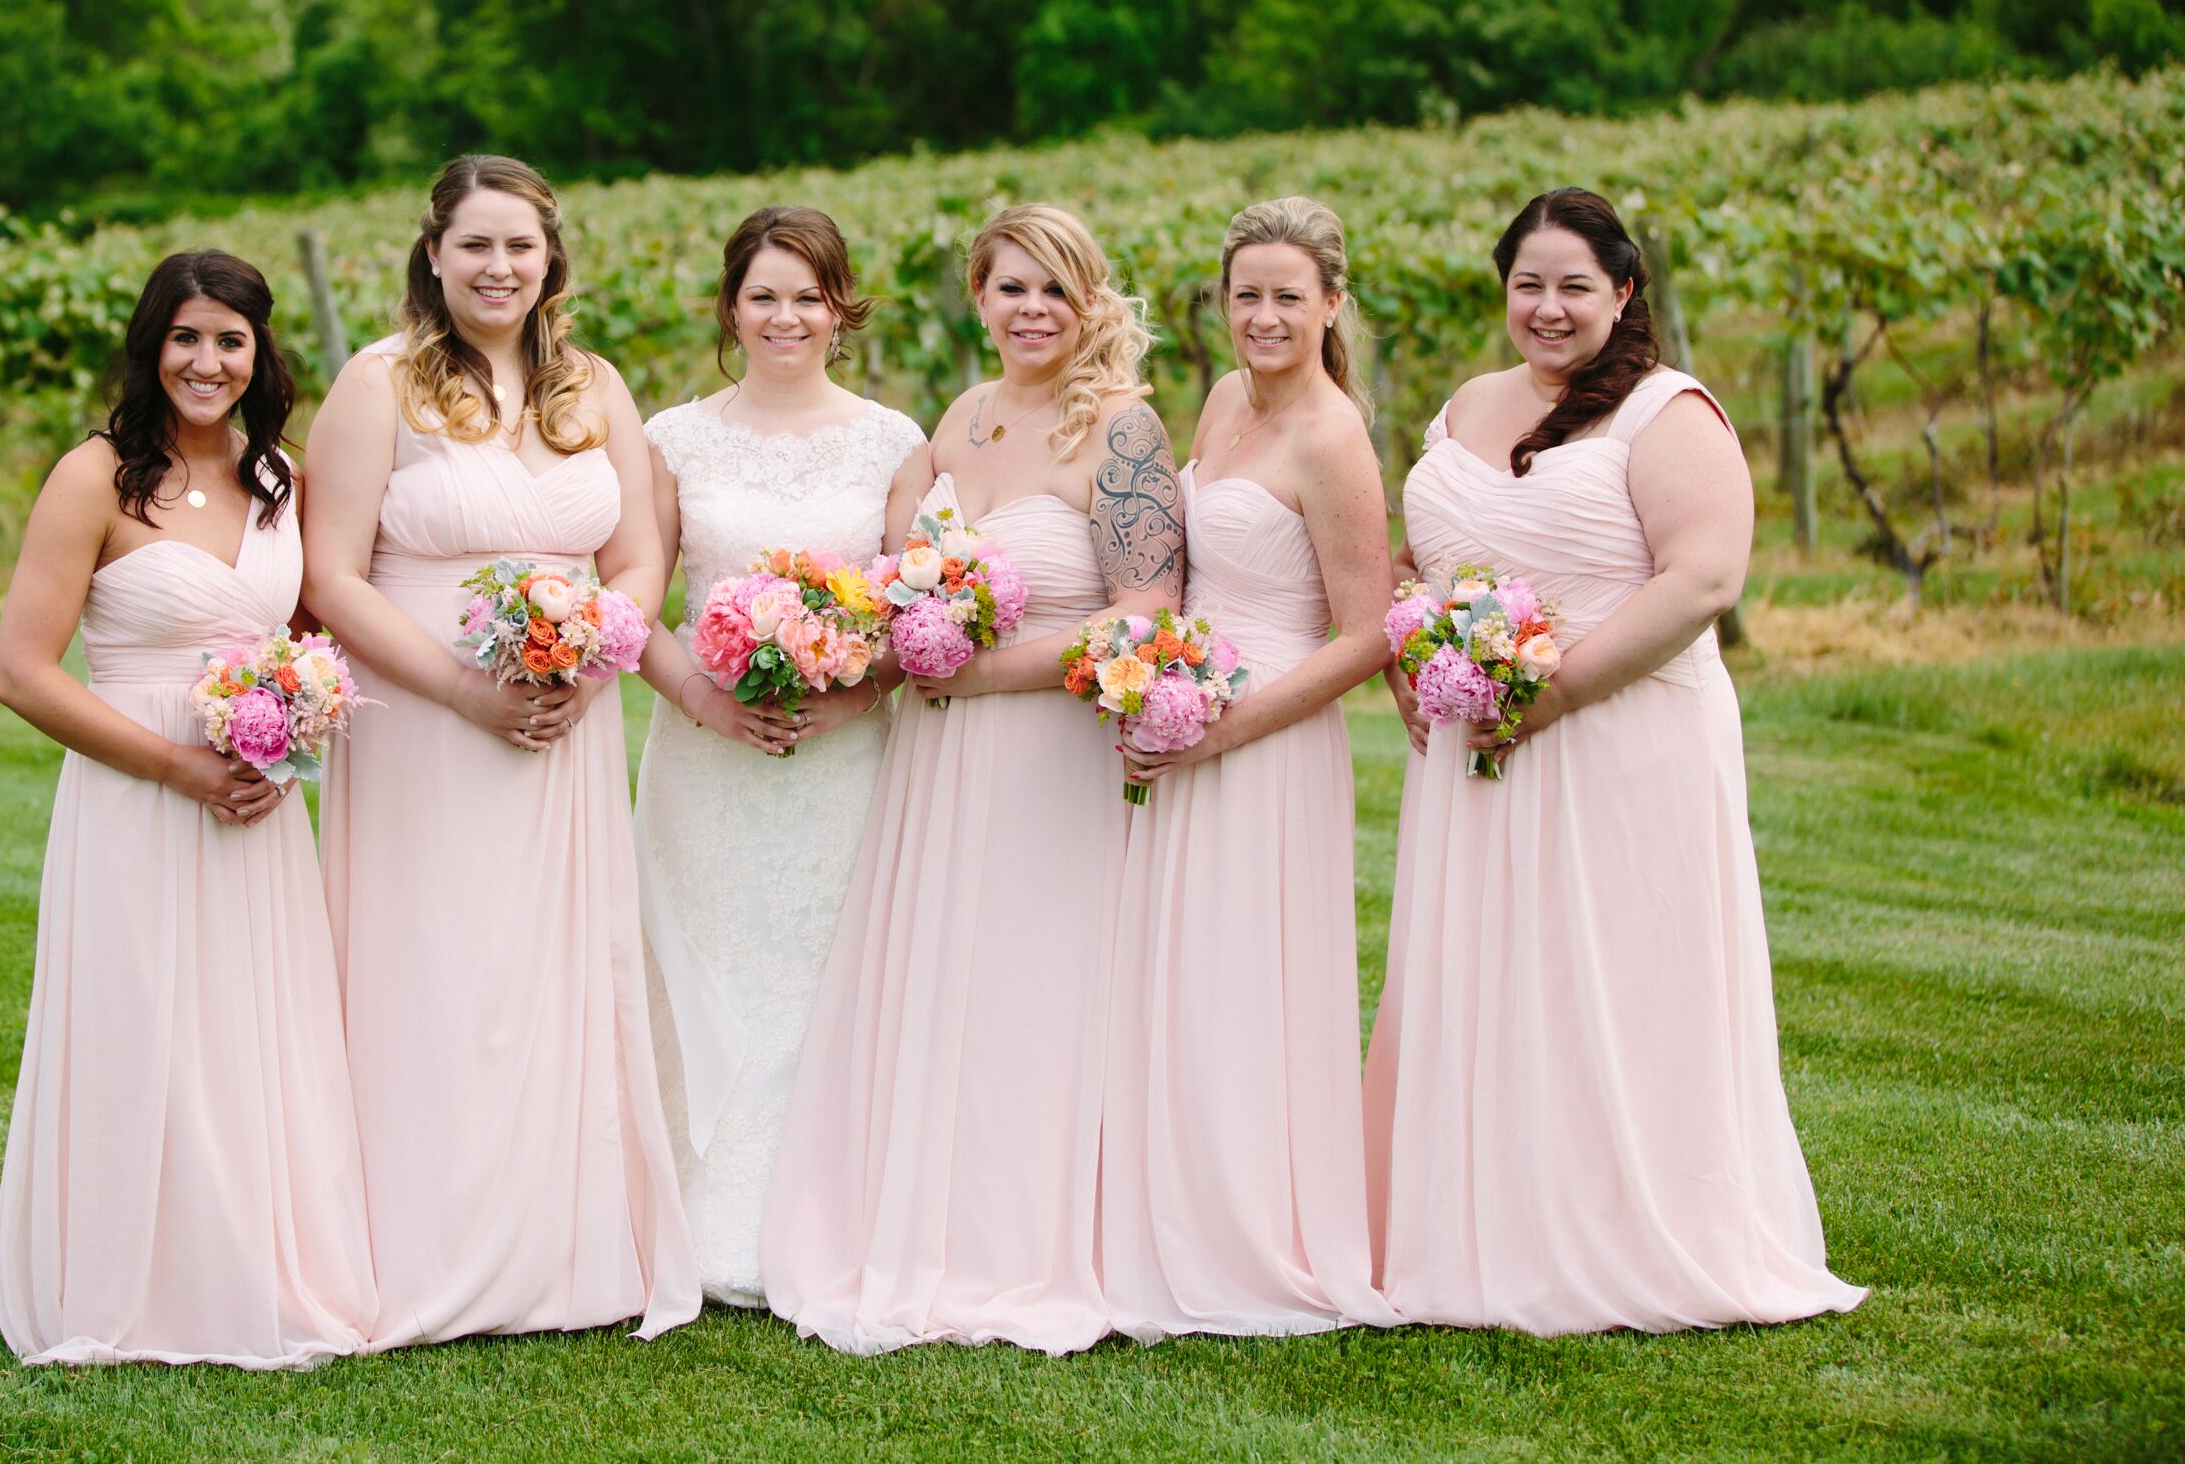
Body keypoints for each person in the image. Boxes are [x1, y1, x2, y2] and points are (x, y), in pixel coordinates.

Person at [1363, 187, 1866, 1333]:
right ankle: (1473, 1222)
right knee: (1488, 971)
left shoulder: (1664, 411)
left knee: (1619, 972)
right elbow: (1423, 554)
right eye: (1526, 284)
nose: (1546, 308)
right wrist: (1410, 644)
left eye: (1573, 286)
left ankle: (1629, 1230)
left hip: (1621, 738)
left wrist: (1548, 694)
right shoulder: (1464, 405)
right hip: (1474, 741)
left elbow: (1700, 582)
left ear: (1623, 291)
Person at [761, 203, 1180, 1356]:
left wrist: (979, 673)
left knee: (1034, 982)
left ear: (1091, 299)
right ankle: (928, 1219)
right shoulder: (964, 415)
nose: (1031, 309)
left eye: (1055, 288)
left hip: (1045, 749)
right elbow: (906, 577)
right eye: (1009, 288)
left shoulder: (1124, 431)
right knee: (946, 971)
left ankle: (1023, 1238)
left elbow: (1146, 612)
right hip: (937, 760)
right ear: (978, 299)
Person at [302, 154, 699, 1345]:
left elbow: (636, 555)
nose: (497, 267)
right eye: (474, 244)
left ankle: (555, 1247)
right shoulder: (378, 384)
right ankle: (420, 1249)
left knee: (553, 971)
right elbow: (331, 574)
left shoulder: (593, 389)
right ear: (433, 254)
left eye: (519, 246)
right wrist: (465, 695)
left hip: (564, 720)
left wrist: (594, 651)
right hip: (425, 720)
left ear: (550, 258)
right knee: (435, 965)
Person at [0, 249, 373, 1367]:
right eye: (186, 337)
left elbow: (308, 632)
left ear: (260, 356)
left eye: (231, 340)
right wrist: (174, 765)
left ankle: (257, 1268)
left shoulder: (280, 482)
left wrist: (293, 713)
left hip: (257, 802)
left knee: (253, 1030)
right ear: (151, 346)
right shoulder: (93, 478)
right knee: (144, 1025)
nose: (207, 362)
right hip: (136, 799)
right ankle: (128, 1284)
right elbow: (24, 671)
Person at [1107, 198, 1398, 1338]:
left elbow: (1364, 632)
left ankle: (1245, 1233)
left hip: (1264, 736)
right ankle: (1159, 1205)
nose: (1264, 316)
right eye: (1246, 295)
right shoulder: (1225, 400)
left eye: (1288, 296)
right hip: (1182, 706)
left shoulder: (1331, 438)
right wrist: (1152, 679)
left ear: (1330, 305)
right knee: (1174, 970)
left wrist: (1223, 727)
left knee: (1242, 976)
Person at [631, 205, 926, 1306]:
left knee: (819, 968)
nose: (785, 316)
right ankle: (690, 1211)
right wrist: (707, 700)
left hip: (843, 754)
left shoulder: (894, 440)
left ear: (840, 308)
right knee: (703, 962)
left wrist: (854, 699)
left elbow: (918, 615)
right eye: (764, 295)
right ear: (730, 307)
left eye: (807, 295)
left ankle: (815, 1206)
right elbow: (638, 602)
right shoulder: (673, 439)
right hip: (704, 754)